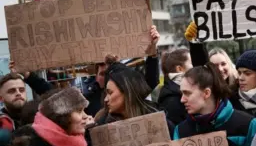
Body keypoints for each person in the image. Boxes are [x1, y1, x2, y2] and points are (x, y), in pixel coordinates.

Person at [13, 25, 161, 117]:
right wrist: (28, 75)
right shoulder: (87, 101)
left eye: (113, 73)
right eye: (103, 74)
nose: (110, 77)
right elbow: (54, 94)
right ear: (96, 77)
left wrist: (152, 50)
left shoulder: (135, 95)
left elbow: (150, 80)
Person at [174, 63, 256, 146]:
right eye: (181, 93)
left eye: (187, 93)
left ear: (206, 93)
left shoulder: (249, 124)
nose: (182, 100)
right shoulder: (180, 131)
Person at [0, 87, 92, 146]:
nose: (85, 116)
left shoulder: (78, 142)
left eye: (84, 110)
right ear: (61, 116)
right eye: (79, 111)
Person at [94, 57, 175, 137]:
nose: (105, 99)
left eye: (110, 93)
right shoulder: (102, 127)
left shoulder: (160, 121)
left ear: (127, 92)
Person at [157, 48, 192, 124]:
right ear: (179, 69)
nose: (195, 66)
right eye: (191, 63)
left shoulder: (175, 91)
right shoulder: (172, 100)